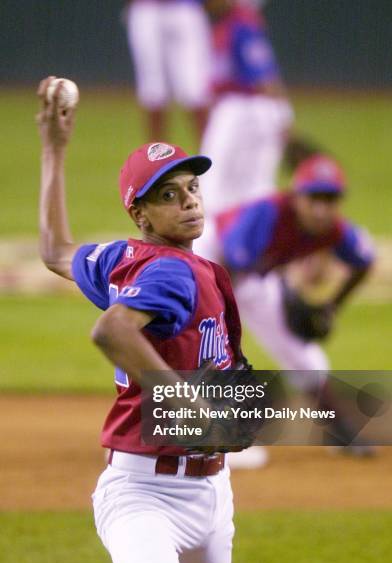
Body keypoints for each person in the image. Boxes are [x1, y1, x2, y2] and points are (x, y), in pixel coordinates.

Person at [37, 76, 245, 563]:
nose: (189, 202)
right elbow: (112, 329)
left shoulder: (122, 258)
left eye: (192, 187)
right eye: (168, 196)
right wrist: (189, 403)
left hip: (212, 493)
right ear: (141, 214)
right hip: (143, 497)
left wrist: (54, 151)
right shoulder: (171, 273)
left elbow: (56, 250)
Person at [195, 154, 375, 464]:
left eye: (330, 199)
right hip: (210, 260)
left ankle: (340, 430)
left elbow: (363, 262)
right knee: (212, 347)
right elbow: (231, 268)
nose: (321, 208)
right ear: (296, 196)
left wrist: (331, 306)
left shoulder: (335, 230)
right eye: (314, 197)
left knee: (304, 356)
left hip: (252, 275)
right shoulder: (266, 213)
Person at [200, 0, 293, 212]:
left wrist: (283, 114)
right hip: (243, 109)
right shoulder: (231, 25)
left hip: (243, 109)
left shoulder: (242, 26)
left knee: (215, 183)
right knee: (252, 187)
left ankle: (210, 240)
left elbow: (264, 76)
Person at [123, 0, 212, 141]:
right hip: (147, 8)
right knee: (153, 91)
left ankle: (211, 156)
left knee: (196, 90)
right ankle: (156, 160)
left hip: (185, 8)